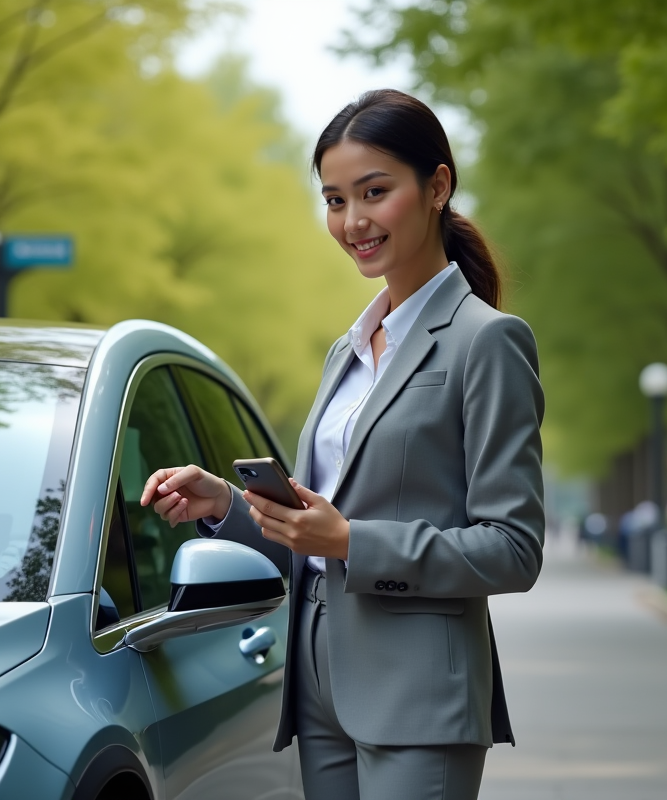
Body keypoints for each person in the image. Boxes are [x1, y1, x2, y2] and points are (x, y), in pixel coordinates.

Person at [140, 89, 544, 800]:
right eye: (333, 200)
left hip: (419, 693)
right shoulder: (347, 352)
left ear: (438, 187)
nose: (352, 221)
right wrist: (228, 504)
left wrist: (353, 542)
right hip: (319, 678)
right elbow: (315, 527)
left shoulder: (488, 342)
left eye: (374, 192)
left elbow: (512, 548)